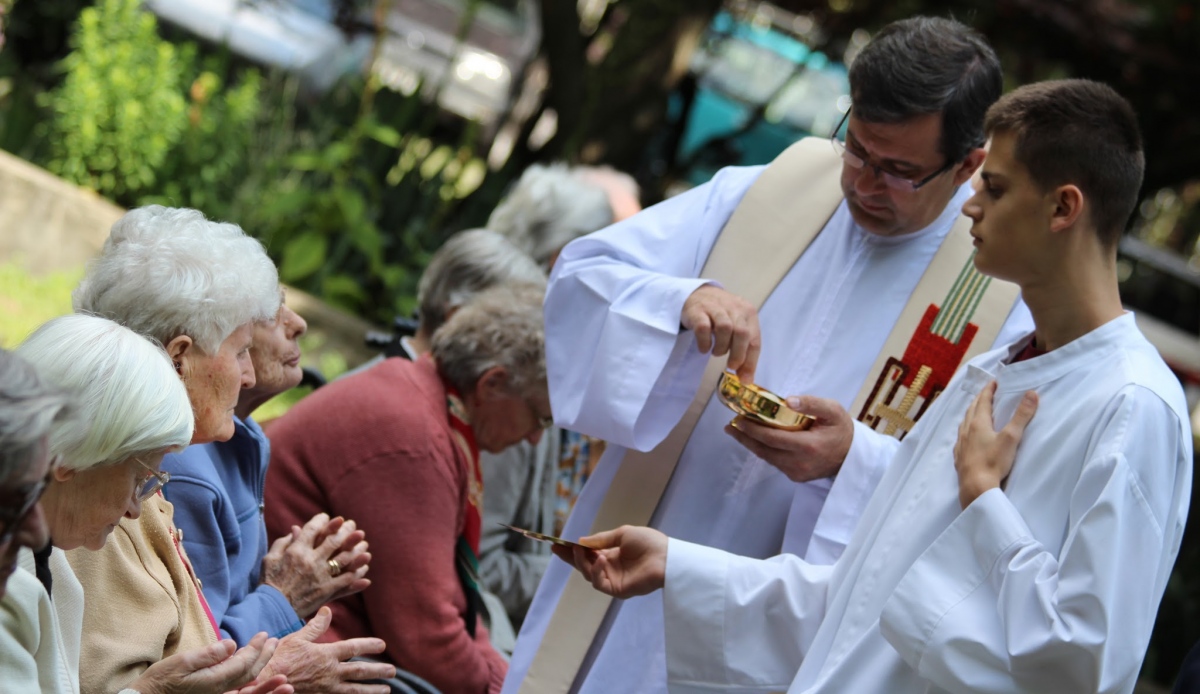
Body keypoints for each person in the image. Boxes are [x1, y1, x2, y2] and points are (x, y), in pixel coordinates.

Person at [558, 79, 1193, 694]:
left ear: (1063, 207)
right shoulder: (992, 371)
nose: (969, 204)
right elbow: (859, 594)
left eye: (994, 189)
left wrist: (985, 505)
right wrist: (680, 565)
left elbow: (1083, 666)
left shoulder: (1133, 406)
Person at [505, 16, 1032, 694]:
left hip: (772, 625)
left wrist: (852, 460)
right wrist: (680, 300)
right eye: (858, 150)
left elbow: (984, 494)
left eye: (899, 171)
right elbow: (582, 278)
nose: (865, 184)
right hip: (640, 551)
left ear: (968, 165)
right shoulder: (767, 191)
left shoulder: (991, 298)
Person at [68, 205, 390, 693]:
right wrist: (281, 611)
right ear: (179, 358)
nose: (249, 374)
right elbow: (158, 667)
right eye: (240, 350)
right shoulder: (124, 482)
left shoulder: (151, 468)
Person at [265, 283, 550, 694]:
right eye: (539, 418)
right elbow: (428, 641)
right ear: (492, 384)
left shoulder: (423, 398)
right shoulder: (413, 437)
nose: (535, 440)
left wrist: (505, 681)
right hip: (305, 662)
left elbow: (452, 603)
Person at [6, 315, 288, 694]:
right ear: (68, 458)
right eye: (139, 479)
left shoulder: (47, 559)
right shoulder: (12, 583)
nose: (134, 511)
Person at [482, 165, 640, 628]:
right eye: (612, 270)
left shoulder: (556, 360)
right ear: (560, 264)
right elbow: (481, 565)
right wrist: (583, 574)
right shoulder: (516, 373)